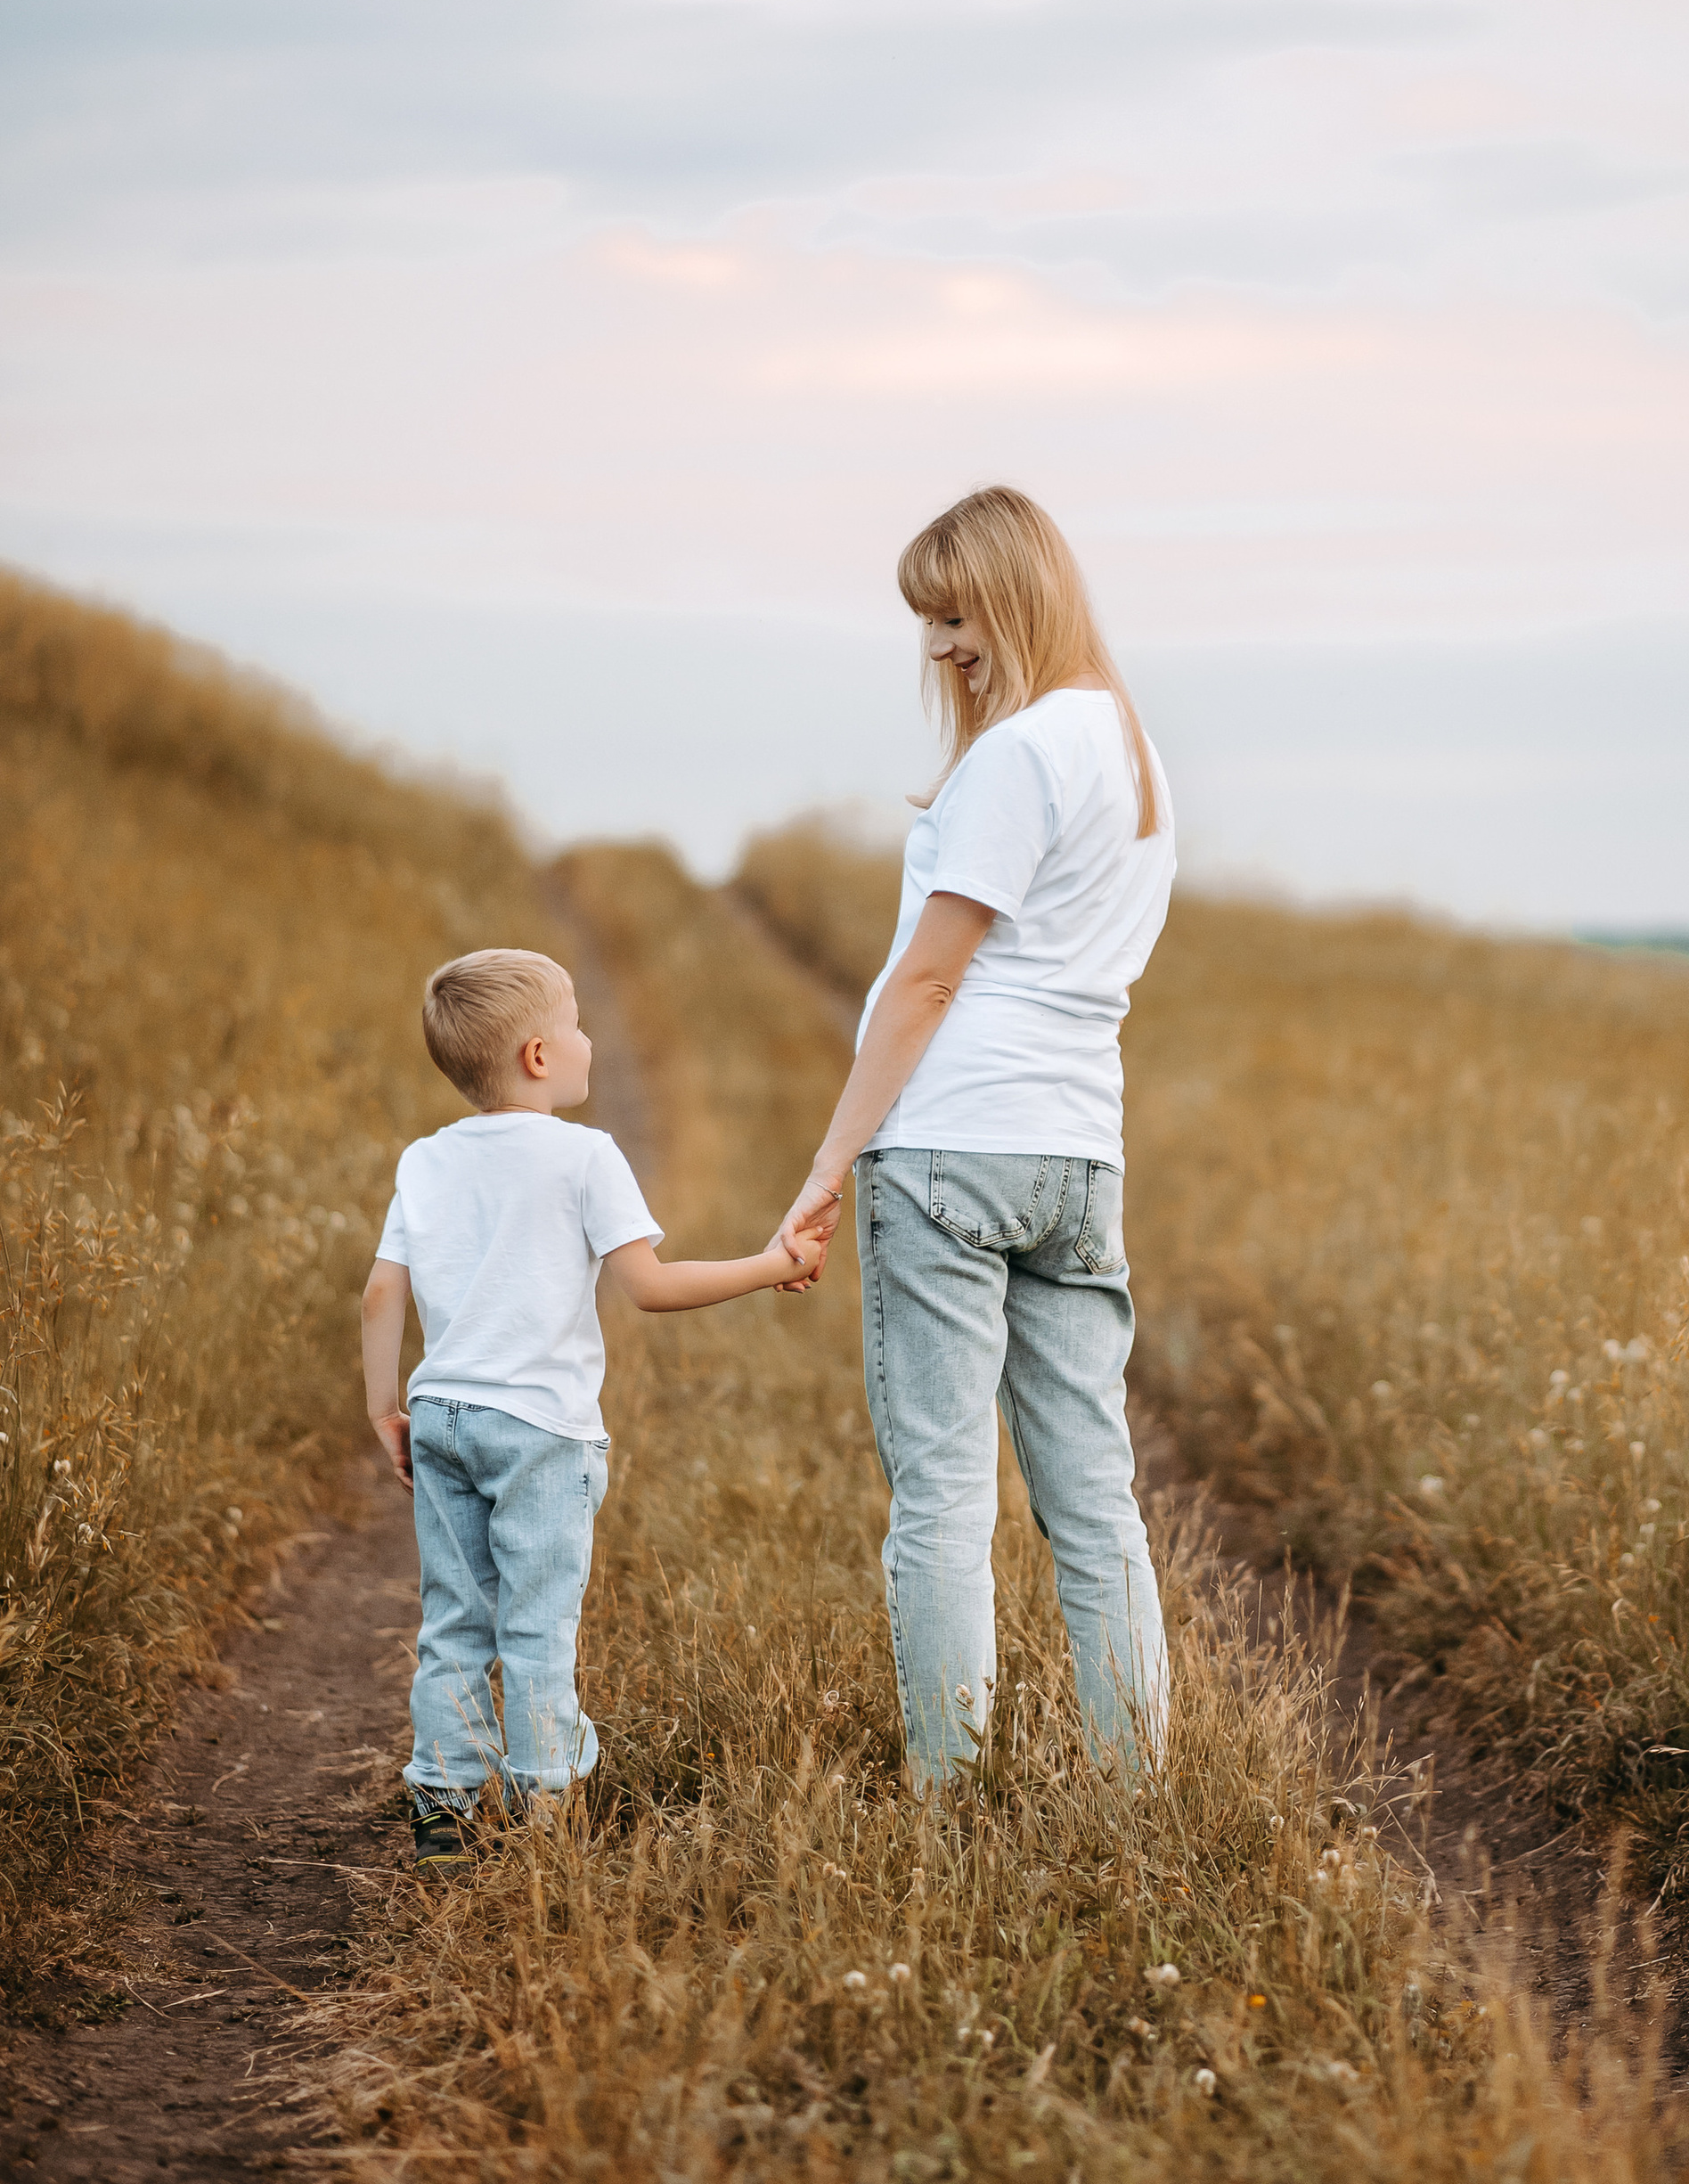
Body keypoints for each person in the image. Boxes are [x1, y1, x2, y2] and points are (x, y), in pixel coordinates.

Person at [774, 485, 1175, 1787]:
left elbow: (930, 980)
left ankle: (950, 1808)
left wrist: (832, 1161)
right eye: (928, 619)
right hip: (1078, 1154)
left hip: (951, 1145)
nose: (940, 644)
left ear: (1017, 596)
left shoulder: (1018, 753)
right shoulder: (1133, 751)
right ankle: (1137, 1802)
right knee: (1094, 1502)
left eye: (956, 614)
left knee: (944, 1498)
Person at [362, 946, 816, 1874]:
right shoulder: (584, 1157)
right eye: (574, 1022)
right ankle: (542, 1809)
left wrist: (385, 1408)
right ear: (538, 1056)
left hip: (442, 1413)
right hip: (540, 1433)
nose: (588, 1038)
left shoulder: (426, 1160)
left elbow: (379, 1294)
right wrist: (773, 1264)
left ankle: (442, 1808)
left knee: (453, 1619)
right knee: (537, 1625)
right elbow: (648, 1286)